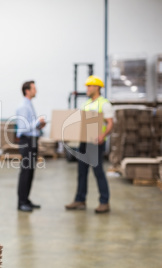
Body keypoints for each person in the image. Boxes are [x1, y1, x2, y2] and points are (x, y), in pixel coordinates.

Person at [65, 75, 113, 213]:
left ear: (97, 87)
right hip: (84, 142)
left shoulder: (104, 103)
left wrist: (103, 136)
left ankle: (104, 202)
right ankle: (80, 200)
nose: (87, 88)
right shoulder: (85, 104)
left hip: (96, 143)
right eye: (87, 86)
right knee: (81, 172)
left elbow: (110, 123)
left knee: (98, 172)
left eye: (89, 86)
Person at [16, 81, 46, 212]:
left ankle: (26, 200)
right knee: (26, 173)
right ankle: (21, 202)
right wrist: (36, 123)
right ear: (27, 90)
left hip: (32, 140)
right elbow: (22, 128)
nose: (36, 91)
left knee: (30, 172)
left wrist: (39, 126)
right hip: (27, 141)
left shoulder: (29, 105)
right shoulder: (23, 106)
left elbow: (30, 125)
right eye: (34, 88)